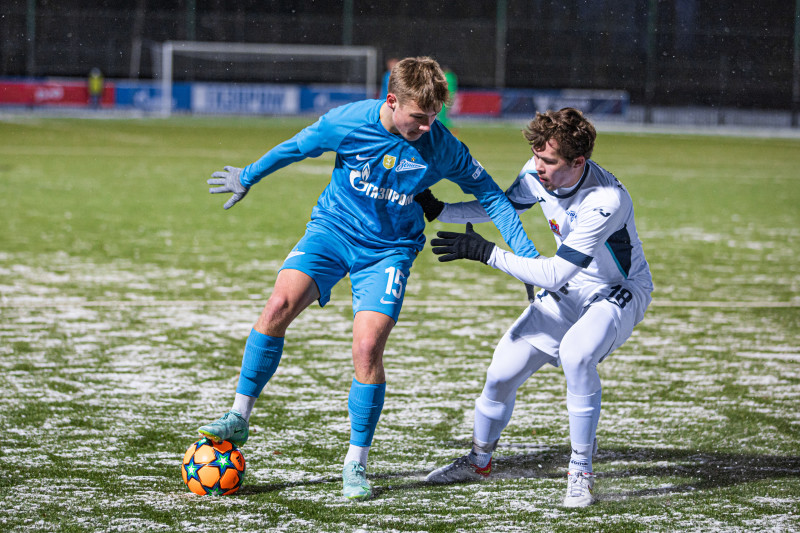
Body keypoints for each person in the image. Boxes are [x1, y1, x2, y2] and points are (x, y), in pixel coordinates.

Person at [199, 56, 540, 501]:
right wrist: (247, 176)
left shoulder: (443, 146)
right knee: (277, 308)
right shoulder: (348, 122)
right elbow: (297, 147)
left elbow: (493, 197)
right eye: (418, 118)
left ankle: (355, 463)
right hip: (333, 231)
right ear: (392, 101)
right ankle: (239, 416)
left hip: (389, 251)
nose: (425, 127)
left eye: (433, 118)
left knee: (367, 347)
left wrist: (530, 260)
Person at [416, 107, 653, 507]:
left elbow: (556, 274)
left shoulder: (606, 200)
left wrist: (486, 253)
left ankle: (581, 471)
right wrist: (443, 210)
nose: (538, 167)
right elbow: (506, 207)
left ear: (579, 162)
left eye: (549, 160)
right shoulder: (536, 172)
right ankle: (479, 460)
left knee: (577, 355)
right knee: (499, 373)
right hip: (572, 288)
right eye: (537, 155)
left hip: (617, 291)